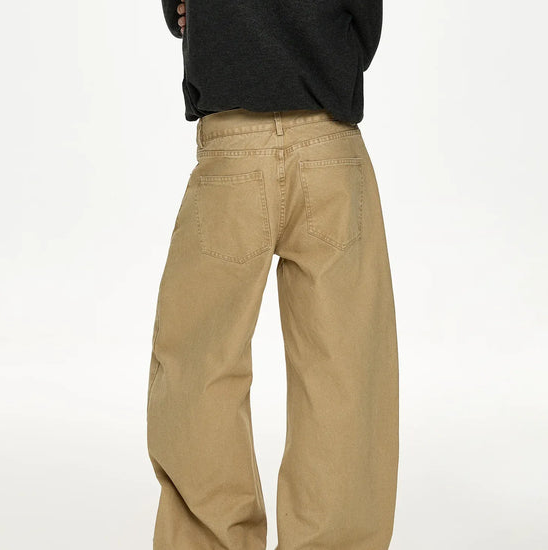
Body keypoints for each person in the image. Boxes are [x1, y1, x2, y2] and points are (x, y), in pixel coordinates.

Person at [147, 1, 399, 549]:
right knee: (344, 371)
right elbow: (365, 23)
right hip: (331, 146)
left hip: (232, 149)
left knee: (200, 367)